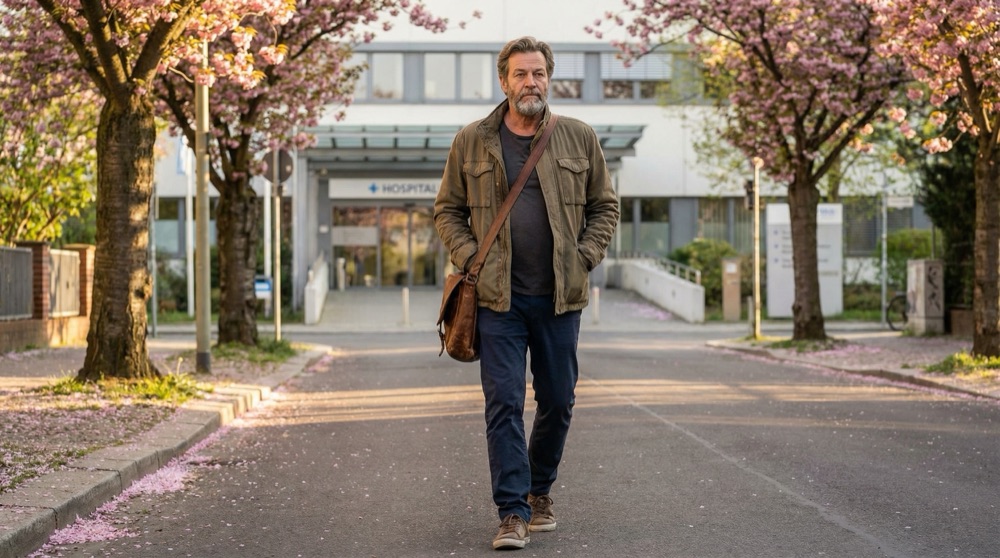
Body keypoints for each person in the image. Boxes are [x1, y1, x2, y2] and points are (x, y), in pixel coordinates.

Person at [433, 36, 620, 551]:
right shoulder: (472, 140)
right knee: (504, 404)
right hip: (497, 301)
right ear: (503, 80)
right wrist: (473, 256)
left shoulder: (578, 137)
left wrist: (582, 257)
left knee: (558, 401)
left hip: (560, 297)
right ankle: (512, 511)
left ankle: (540, 490)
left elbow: (605, 205)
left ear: (549, 78)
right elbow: (447, 209)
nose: (529, 82)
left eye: (538, 73)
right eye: (520, 74)